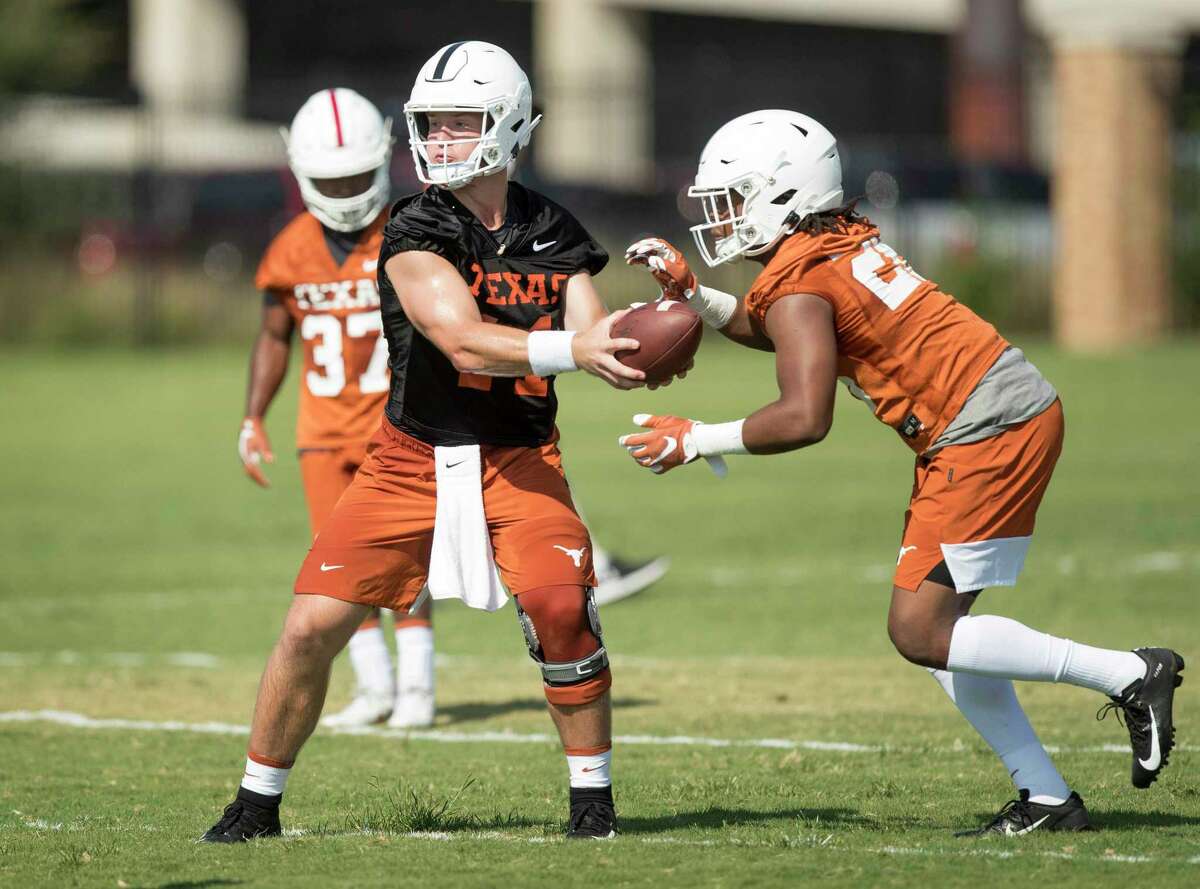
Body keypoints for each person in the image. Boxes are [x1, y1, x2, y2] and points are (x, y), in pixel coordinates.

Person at [619, 109, 1184, 837]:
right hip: (995, 412)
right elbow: (787, 332)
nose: (721, 218)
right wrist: (696, 295)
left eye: (733, 198)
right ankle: (1046, 796)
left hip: (986, 427)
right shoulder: (827, 248)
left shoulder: (801, 281)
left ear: (782, 195)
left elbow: (803, 413)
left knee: (919, 630)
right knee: (940, 631)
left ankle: (1131, 673)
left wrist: (698, 438)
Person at [205, 41, 654, 843]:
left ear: (510, 126)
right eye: (431, 124)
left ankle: (594, 805)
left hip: (520, 458)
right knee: (310, 626)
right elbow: (461, 340)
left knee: (562, 611)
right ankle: (254, 802)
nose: (441, 140)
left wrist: (664, 317)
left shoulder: (553, 226)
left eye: (461, 122)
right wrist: (573, 351)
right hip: (408, 460)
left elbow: (599, 336)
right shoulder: (416, 223)